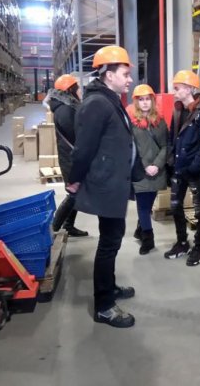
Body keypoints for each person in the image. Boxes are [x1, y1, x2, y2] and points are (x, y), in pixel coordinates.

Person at [66, 45, 145, 328]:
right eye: (125, 73)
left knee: (113, 238)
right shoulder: (97, 104)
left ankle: (108, 287)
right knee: (109, 243)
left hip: (114, 182)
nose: (129, 79)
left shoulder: (108, 99)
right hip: (106, 184)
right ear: (108, 74)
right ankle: (104, 306)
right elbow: (83, 148)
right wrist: (74, 179)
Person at [164, 70, 200, 267]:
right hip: (178, 168)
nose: (174, 92)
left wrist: (194, 168)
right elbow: (172, 137)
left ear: (189, 89)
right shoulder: (178, 110)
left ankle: (198, 247)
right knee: (175, 206)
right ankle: (182, 242)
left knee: (199, 210)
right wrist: (171, 161)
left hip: (193, 171)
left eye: (177, 88)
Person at [127, 84, 168, 255]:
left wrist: (156, 165)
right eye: (141, 100)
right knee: (143, 206)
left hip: (157, 171)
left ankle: (140, 228)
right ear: (136, 102)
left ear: (152, 101)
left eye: (147, 99)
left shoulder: (160, 121)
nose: (145, 103)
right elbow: (130, 147)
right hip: (140, 172)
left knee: (148, 204)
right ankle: (148, 239)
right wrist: (145, 166)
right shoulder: (131, 123)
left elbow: (166, 146)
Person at [48, 74, 88, 237]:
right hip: (71, 159)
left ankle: (68, 225)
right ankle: (54, 228)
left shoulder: (66, 106)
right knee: (74, 194)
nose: (80, 91)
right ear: (70, 90)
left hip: (71, 156)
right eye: (77, 88)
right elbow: (74, 133)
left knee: (77, 193)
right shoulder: (65, 109)